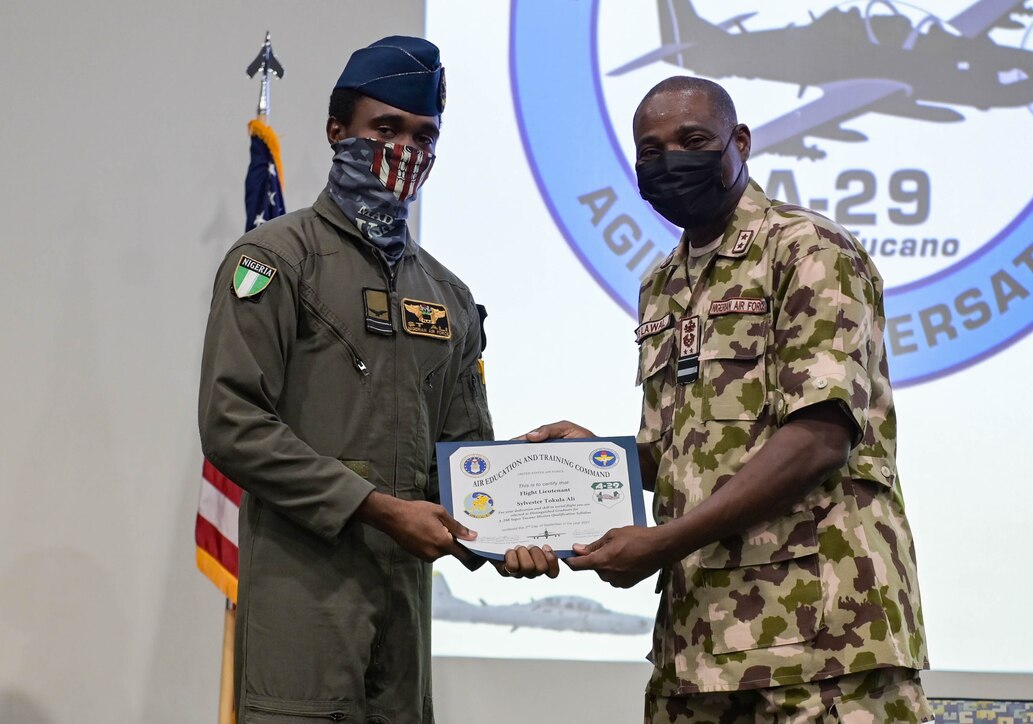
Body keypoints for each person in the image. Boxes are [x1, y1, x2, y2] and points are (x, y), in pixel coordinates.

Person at [528, 76, 930, 722]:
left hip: (820, 638)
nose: (671, 162)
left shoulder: (807, 251)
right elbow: (682, 454)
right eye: (650, 151)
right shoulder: (664, 282)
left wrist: (664, 542)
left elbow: (820, 438)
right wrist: (589, 465)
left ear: (738, 142)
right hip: (700, 642)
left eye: (692, 141)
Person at [198, 37, 555, 724]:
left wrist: (516, 519)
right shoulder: (275, 261)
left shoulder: (448, 296)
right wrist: (374, 507)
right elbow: (231, 424)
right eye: (384, 129)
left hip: (402, 630)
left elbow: (458, 465)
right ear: (338, 131)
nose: (405, 150)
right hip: (304, 613)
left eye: (424, 135)